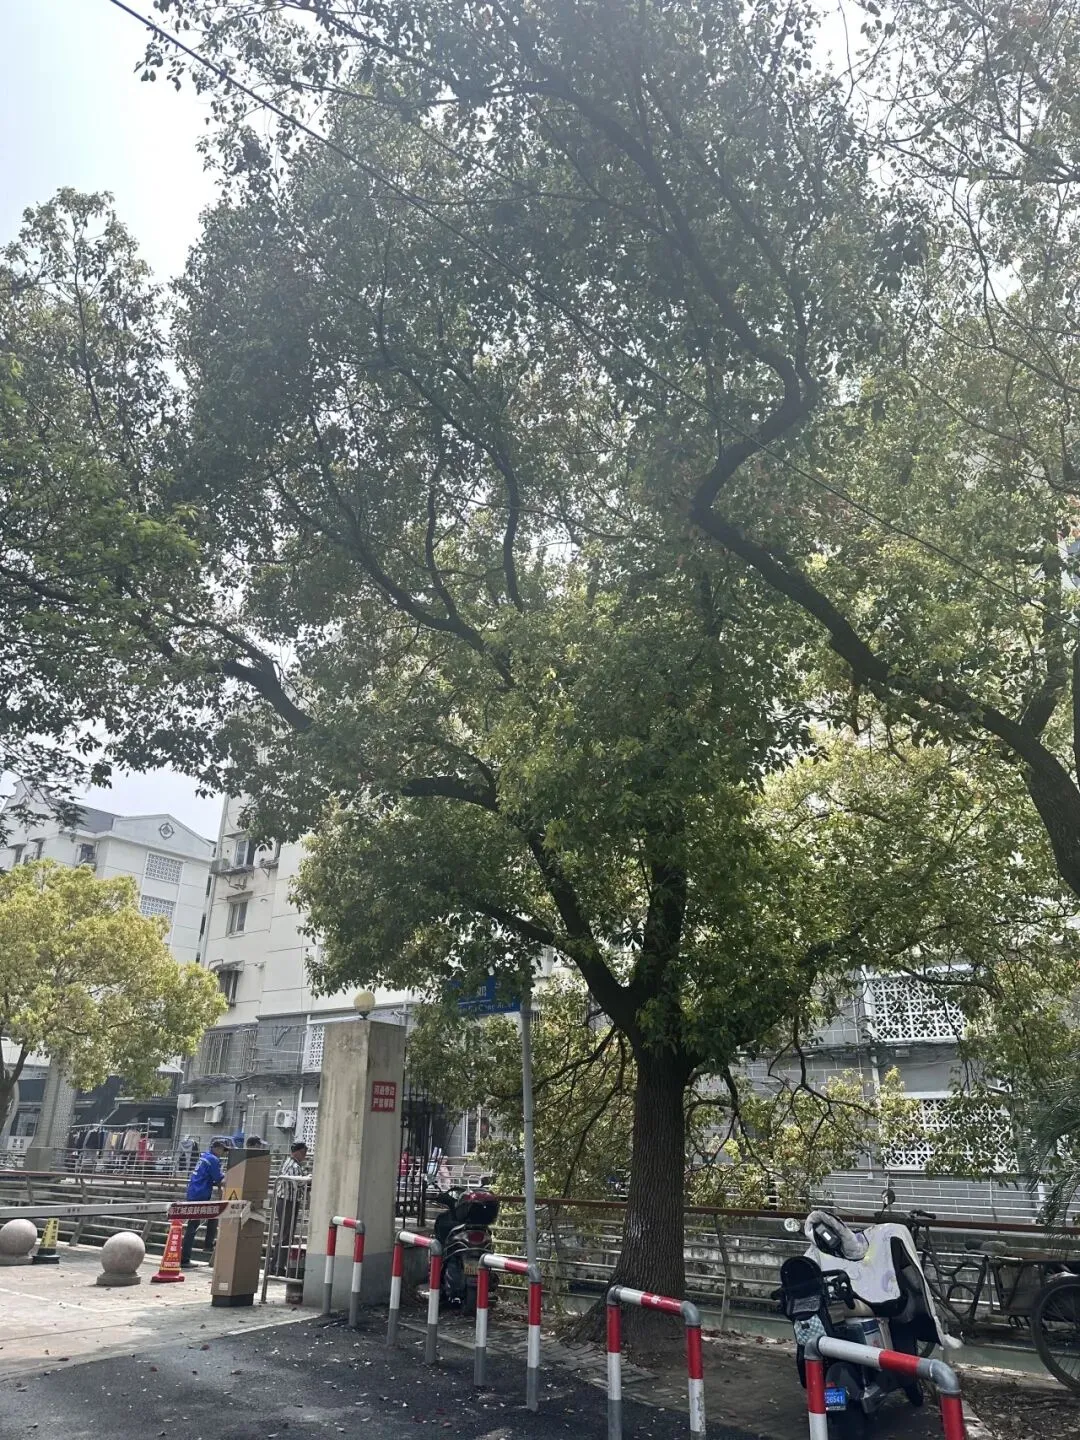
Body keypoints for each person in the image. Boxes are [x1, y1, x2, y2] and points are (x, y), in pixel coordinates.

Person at [180, 1137, 229, 1269]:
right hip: (200, 1194)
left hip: (194, 1192)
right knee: (193, 1226)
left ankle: (207, 1245)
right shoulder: (213, 1159)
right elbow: (220, 1180)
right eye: (222, 1150)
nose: (223, 1153)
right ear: (216, 1148)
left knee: (211, 1216)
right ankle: (185, 1258)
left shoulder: (205, 1157)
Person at [271, 1141, 308, 1275]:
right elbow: (298, 1184)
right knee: (285, 1234)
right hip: (287, 1201)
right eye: (303, 1152)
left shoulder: (291, 1163)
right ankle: (278, 1266)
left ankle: (277, 1265)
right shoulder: (293, 1165)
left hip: (288, 1200)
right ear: (297, 1152)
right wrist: (307, 1179)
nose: (305, 1156)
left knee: (285, 1233)